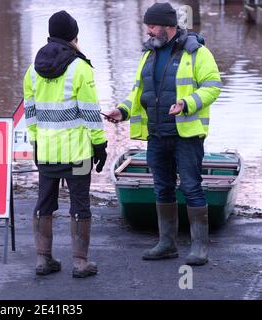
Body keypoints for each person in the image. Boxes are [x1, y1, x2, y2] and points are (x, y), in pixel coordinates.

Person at [105, 2, 222, 266]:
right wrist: (122, 111)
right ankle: (167, 244)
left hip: (187, 134)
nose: (148, 30)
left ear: (169, 27)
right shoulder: (148, 55)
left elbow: (213, 86)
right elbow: (138, 94)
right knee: (162, 188)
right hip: (156, 134)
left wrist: (187, 103)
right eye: (147, 25)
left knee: (191, 187)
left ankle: (199, 248)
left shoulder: (197, 52)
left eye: (153, 25)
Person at [23, 10, 107, 278]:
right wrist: (99, 145)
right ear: (74, 36)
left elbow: (30, 112)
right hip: (78, 154)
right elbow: (90, 112)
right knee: (80, 205)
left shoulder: (33, 70)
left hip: (47, 152)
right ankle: (81, 263)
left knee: (43, 204)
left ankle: (42, 259)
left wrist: (36, 142)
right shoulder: (80, 68)